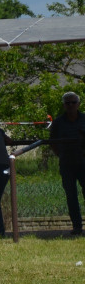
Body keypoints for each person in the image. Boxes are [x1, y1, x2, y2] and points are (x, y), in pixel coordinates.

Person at [49, 91, 85, 235]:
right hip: (67, 163)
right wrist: (60, 154)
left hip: (84, 163)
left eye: (73, 102)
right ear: (64, 105)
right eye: (67, 103)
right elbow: (52, 141)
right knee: (71, 195)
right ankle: (77, 226)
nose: (70, 105)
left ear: (78, 104)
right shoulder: (58, 122)